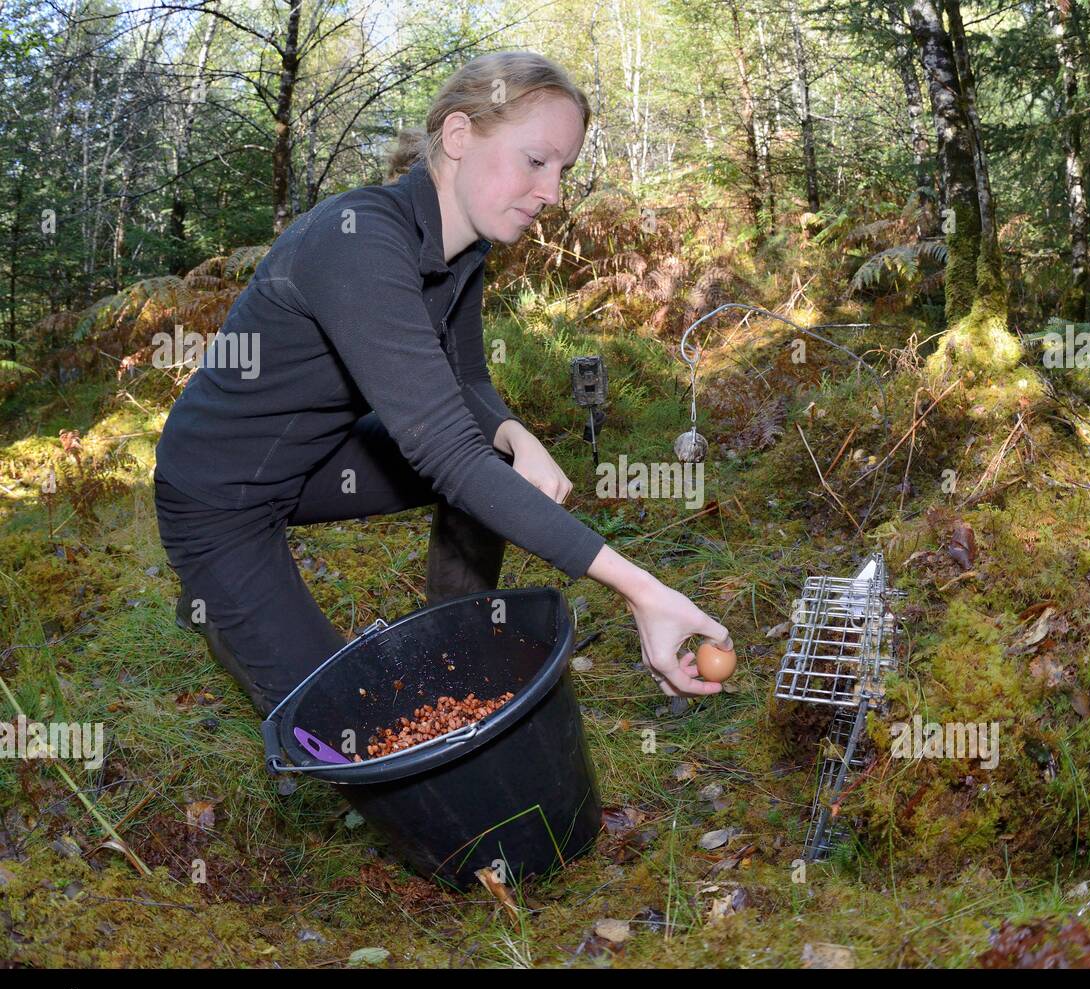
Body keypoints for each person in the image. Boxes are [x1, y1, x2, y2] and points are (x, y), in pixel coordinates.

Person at [152, 50, 731, 720]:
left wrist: (514, 434)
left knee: (496, 458)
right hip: (219, 497)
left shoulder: (464, 250)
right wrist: (640, 589)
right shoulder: (358, 243)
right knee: (344, 726)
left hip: (313, 460)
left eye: (563, 170)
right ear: (459, 135)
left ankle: (459, 653)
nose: (552, 193)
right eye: (536, 160)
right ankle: (228, 604)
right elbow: (448, 454)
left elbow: (466, 377)